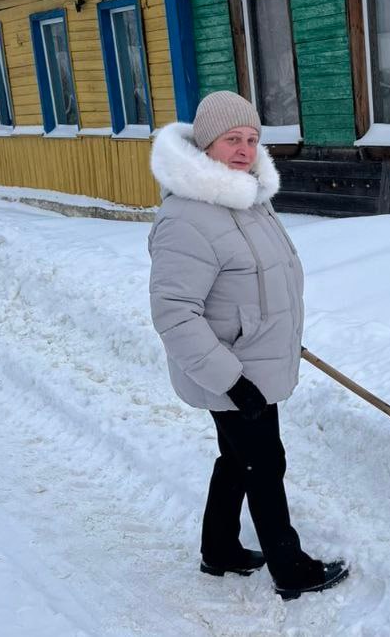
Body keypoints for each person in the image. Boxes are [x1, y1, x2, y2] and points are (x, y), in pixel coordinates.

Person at [147, 91, 348, 600]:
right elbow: (175, 313)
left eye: (252, 138)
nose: (244, 148)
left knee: (238, 459)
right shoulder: (186, 218)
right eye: (232, 139)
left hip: (253, 360)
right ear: (206, 144)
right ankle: (291, 569)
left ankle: (220, 550)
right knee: (264, 463)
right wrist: (231, 379)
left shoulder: (250, 201)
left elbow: (260, 285)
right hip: (231, 371)